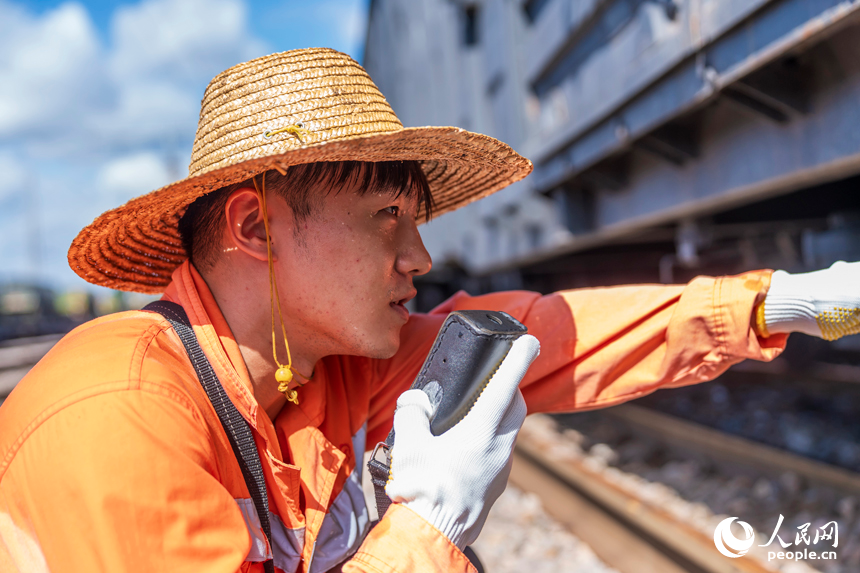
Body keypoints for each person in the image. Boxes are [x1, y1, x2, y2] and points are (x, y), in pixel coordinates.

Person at [0, 47, 857, 573]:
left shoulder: (325, 364)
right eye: (388, 217)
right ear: (256, 227)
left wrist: (788, 303)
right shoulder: (113, 420)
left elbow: (546, 335)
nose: (421, 258)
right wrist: (427, 526)